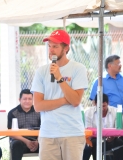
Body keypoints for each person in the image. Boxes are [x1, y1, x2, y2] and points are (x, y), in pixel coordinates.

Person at [31, 29, 88, 160]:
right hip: (48, 134)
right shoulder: (41, 71)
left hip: (72, 133)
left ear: (66, 48)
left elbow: (75, 101)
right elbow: (38, 106)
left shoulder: (78, 68)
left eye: (55, 46)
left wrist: (59, 78)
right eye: (49, 46)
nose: (51, 50)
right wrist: (64, 100)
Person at [84, 93, 123, 160]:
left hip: (113, 139)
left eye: (104, 106)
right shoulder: (88, 112)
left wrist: (114, 136)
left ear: (108, 103)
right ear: (95, 103)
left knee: (120, 143)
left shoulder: (116, 111)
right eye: (99, 106)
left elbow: (121, 128)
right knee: (94, 143)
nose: (102, 109)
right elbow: (87, 130)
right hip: (95, 139)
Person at [7, 89, 40, 160]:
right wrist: (27, 141)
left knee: (48, 144)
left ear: (33, 100)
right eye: (25, 99)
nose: (27, 101)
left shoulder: (39, 112)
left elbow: (43, 129)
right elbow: (10, 133)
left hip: (36, 141)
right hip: (20, 141)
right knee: (16, 144)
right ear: (19, 99)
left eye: (30, 99)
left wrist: (37, 141)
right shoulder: (12, 113)